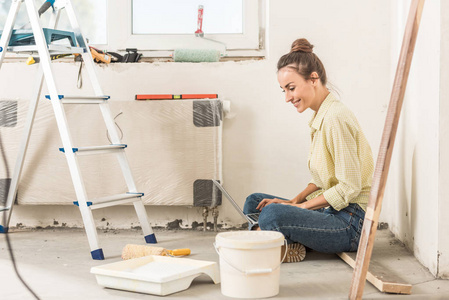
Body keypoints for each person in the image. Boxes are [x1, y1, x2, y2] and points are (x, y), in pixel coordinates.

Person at [243, 38, 374, 263]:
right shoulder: (320, 116)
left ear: (313, 79)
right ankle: (280, 240)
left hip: (350, 223)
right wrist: (295, 200)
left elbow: (349, 188)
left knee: (272, 213)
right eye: (284, 90)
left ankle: (272, 241)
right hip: (330, 211)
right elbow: (322, 179)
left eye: (291, 88)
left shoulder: (335, 118)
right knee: (254, 201)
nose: (287, 98)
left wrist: (301, 207)